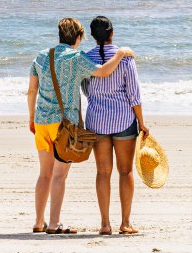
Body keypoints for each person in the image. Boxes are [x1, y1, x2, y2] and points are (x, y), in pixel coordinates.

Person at [27, 17, 133, 235]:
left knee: (44, 174)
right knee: (59, 176)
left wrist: (31, 117)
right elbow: (103, 71)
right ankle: (54, 224)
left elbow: (31, 91)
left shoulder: (41, 56)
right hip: (62, 125)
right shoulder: (76, 58)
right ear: (78, 37)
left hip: (41, 121)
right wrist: (121, 54)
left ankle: (39, 221)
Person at [83, 16, 149, 235]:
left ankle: (104, 224)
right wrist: (142, 123)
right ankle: (125, 223)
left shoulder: (85, 58)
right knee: (125, 171)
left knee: (102, 173)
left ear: (92, 36)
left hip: (97, 121)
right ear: (112, 33)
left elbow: (85, 90)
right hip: (123, 121)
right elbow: (134, 96)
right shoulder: (126, 59)